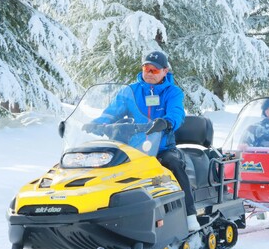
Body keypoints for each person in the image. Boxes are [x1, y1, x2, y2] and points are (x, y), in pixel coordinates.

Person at [86, 50, 200, 231]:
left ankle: (190, 215)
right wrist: (97, 124)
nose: (149, 73)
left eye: (154, 70)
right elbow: (112, 112)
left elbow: (176, 112)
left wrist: (167, 122)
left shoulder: (173, 92)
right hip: (133, 148)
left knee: (174, 164)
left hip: (162, 147)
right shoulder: (131, 91)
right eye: (147, 68)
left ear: (165, 71)